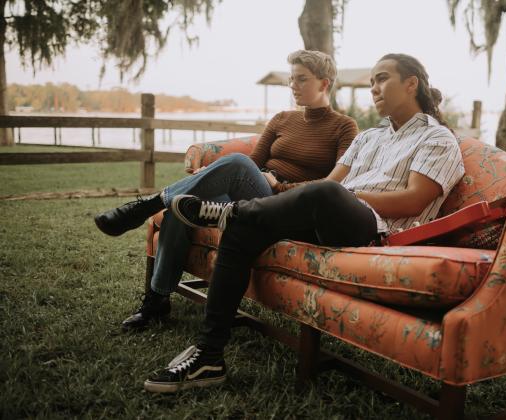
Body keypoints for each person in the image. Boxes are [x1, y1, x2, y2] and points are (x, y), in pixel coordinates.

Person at [142, 53, 465, 393]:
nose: (374, 88)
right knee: (245, 227)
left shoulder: (437, 138)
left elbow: (414, 199)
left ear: (411, 83)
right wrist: (324, 194)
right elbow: (330, 182)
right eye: (371, 81)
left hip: (378, 230)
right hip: (331, 216)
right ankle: (209, 356)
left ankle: (233, 211)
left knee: (325, 193)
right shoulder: (370, 137)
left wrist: (344, 196)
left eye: (382, 78)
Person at [93, 50, 358, 331]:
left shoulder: (344, 127)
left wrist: (279, 185)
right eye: (291, 79)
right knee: (181, 205)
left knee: (236, 164)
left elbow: (334, 187)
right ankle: (157, 300)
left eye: (301, 79)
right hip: (251, 191)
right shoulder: (282, 119)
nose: (293, 85)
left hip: (286, 205)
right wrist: (211, 176)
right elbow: (252, 164)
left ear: (325, 83)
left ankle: (146, 205)